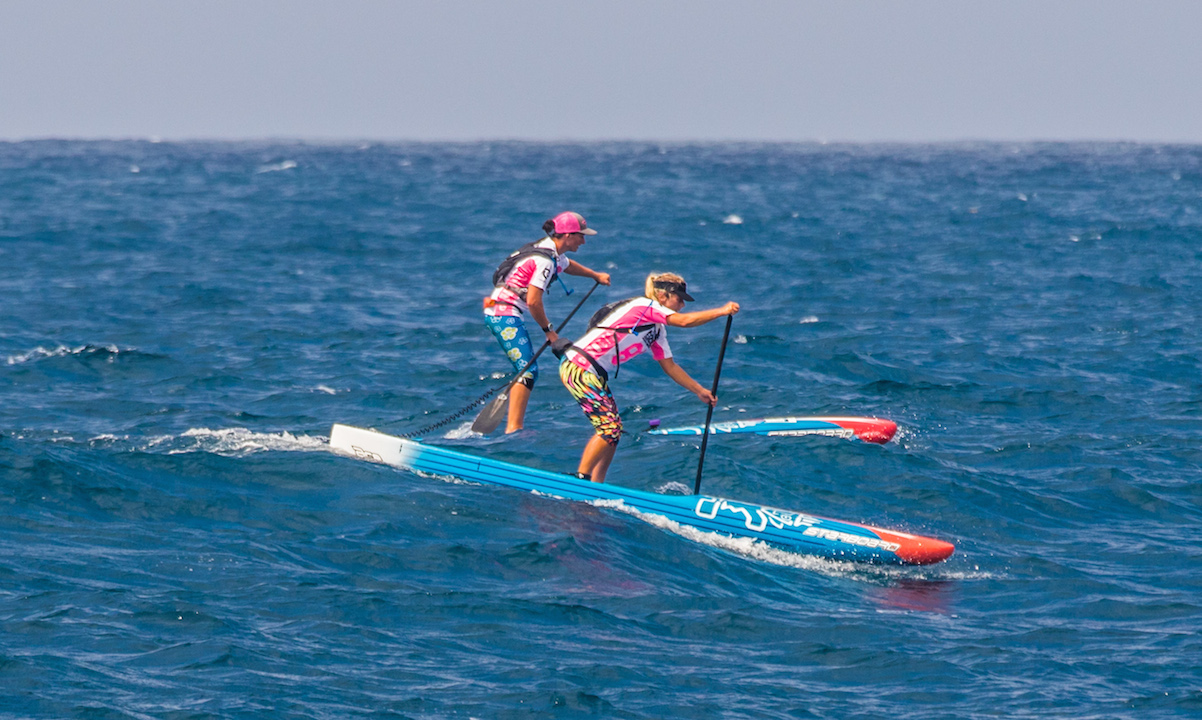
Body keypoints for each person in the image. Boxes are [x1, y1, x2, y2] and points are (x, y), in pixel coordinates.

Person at [556, 272, 739, 483]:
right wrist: (721, 311)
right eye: (679, 299)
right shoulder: (644, 307)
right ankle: (582, 479)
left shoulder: (657, 331)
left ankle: (597, 483)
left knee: (614, 431)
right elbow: (685, 322)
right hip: (578, 366)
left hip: (592, 372)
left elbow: (670, 366)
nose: (682, 305)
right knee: (609, 428)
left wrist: (700, 391)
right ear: (663, 297)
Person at [484, 211, 611, 434]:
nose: (584, 241)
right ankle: (514, 430)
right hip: (502, 313)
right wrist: (549, 332)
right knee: (528, 370)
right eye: (581, 236)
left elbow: (567, 265)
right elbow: (534, 301)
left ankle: (514, 426)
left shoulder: (551, 251)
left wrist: (595, 275)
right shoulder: (544, 261)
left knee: (526, 368)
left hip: (502, 310)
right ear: (569, 235)